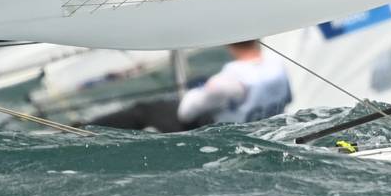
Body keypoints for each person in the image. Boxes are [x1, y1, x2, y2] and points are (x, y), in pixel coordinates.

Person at [86, 40, 292, 132]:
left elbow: (186, 113)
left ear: (229, 42)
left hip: (217, 128)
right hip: (260, 126)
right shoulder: (277, 66)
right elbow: (288, 98)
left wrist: (202, 89)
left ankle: (82, 129)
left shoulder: (230, 79)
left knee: (143, 111)